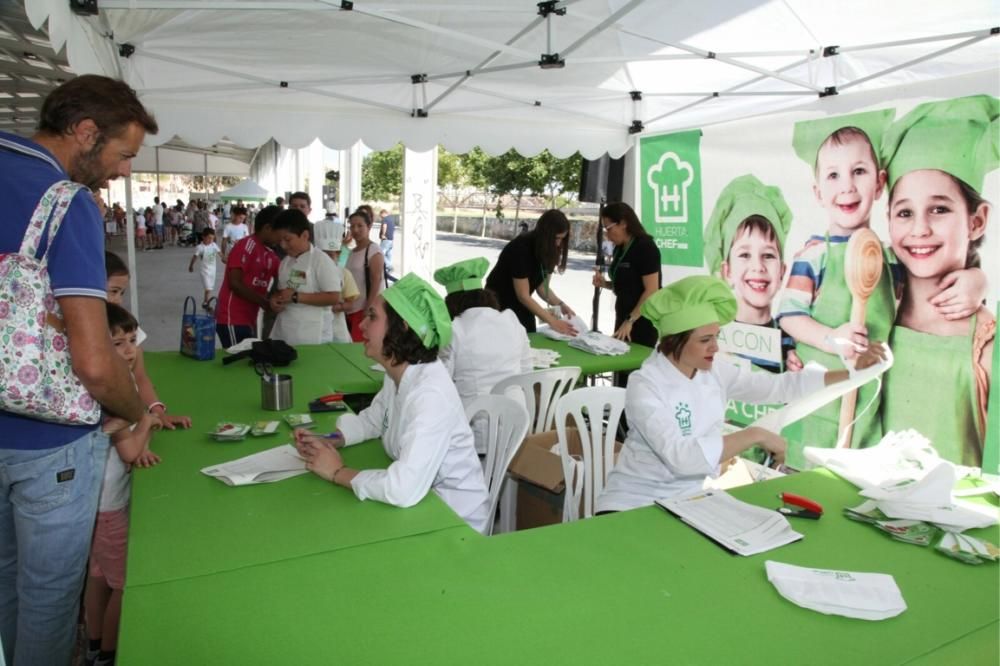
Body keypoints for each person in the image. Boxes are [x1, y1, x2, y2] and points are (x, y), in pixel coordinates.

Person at [0, 74, 153, 666]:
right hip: (49, 445)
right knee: (47, 600)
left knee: (6, 585)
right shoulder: (67, 203)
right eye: (123, 155)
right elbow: (93, 362)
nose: (123, 172)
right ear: (85, 133)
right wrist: (138, 410)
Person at [595, 276, 887, 513]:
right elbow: (681, 458)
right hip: (632, 504)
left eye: (716, 337)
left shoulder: (715, 372)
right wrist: (755, 434)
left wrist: (851, 371)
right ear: (675, 341)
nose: (715, 347)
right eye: (705, 340)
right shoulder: (645, 385)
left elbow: (779, 387)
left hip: (686, 503)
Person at [294, 274, 491, 533]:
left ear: (404, 327)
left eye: (372, 317)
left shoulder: (430, 395)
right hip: (424, 505)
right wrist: (332, 439)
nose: (362, 325)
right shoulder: (399, 371)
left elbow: (403, 487)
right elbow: (375, 419)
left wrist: (337, 472)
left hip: (456, 519)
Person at [880, 95, 997, 467]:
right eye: (905, 212)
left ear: (976, 221)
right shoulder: (870, 314)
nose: (920, 229)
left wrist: (980, 279)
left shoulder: (987, 346)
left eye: (939, 209)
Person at [83, 304, 162, 666]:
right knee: (122, 584)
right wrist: (146, 423)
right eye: (119, 343)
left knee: (97, 577)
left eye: (132, 340)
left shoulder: (109, 381)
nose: (130, 350)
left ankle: (94, 642)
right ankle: (110, 654)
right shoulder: (112, 391)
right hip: (110, 506)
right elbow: (129, 450)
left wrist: (143, 427)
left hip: (94, 504)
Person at [434, 258, 532, 454]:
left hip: (475, 434)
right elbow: (527, 372)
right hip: (517, 426)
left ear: (451, 303)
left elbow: (439, 382)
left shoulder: (454, 330)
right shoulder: (511, 320)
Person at [703, 175, 798, 373]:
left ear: (782, 271)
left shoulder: (789, 340)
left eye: (769, 255)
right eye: (745, 254)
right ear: (726, 271)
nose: (758, 266)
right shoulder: (713, 336)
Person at [105, 251, 192, 431]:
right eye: (113, 291)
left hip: (127, 426)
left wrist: (157, 411)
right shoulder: (75, 331)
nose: (118, 300)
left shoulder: (125, 324)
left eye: (122, 293)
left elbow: (140, 377)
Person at [485, 209, 578, 336]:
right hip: (499, 304)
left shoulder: (550, 250)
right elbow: (523, 295)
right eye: (556, 238)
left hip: (522, 304)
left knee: (530, 334)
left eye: (562, 239)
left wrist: (561, 305)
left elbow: (543, 288)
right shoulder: (520, 248)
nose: (558, 243)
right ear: (545, 234)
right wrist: (553, 322)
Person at [268, 209, 350, 344]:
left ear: (305, 235)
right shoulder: (285, 262)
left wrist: (296, 297)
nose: (283, 245)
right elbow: (283, 290)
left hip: (313, 336)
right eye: (280, 241)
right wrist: (276, 300)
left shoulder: (321, 261)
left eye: (288, 240)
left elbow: (333, 297)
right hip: (285, 332)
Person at [591, 202, 661, 346]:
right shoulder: (619, 249)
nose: (607, 235)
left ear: (623, 223)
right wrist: (604, 283)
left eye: (608, 229)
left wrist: (630, 320)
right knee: (619, 362)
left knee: (635, 366)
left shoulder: (645, 247)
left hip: (642, 319)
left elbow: (652, 290)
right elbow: (627, 284)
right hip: (623, 316)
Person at [214, 205, 281, 348]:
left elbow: (282, 279)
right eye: (279, 233)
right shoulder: (246, 246)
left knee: (247, 363)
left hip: (249, 319)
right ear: (268, 228)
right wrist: (264, 302)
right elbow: (235, 283)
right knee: (238, 362)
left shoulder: (271, 255)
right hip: (232, 318)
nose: (282, 238)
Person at [344, 209, 385, 341]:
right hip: (351, 308)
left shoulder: (373, 250)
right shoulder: (352, 252)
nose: (355, 229)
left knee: (360, 346)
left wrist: (369, 306)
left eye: (360, 225)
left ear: (369, 227)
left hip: (364, 308)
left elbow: (376, 280)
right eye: (352, 226)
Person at [189, 228, 222, 310]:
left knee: (210, 288)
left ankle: (205, 302)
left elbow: (220, 254)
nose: (211, 240)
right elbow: (194, 257)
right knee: (207, 288)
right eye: (209, 238)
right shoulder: (200, 247)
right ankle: (207, 304)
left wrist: (226, 259)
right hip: (205, 271)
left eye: (212, 238)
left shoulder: (214, 245)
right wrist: (191, 266)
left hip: (213, 270)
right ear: (203, 237)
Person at [379, 209, 396, 273]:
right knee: (389, 254)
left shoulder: (385, 219)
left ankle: (389, 267)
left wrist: (383, 234)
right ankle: (389, 269)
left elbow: (384, 226)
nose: (380, 217)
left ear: (383, 213)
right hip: (390, 239)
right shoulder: (391, 219)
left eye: (380, 215)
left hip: (385, 239)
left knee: (380, 253)